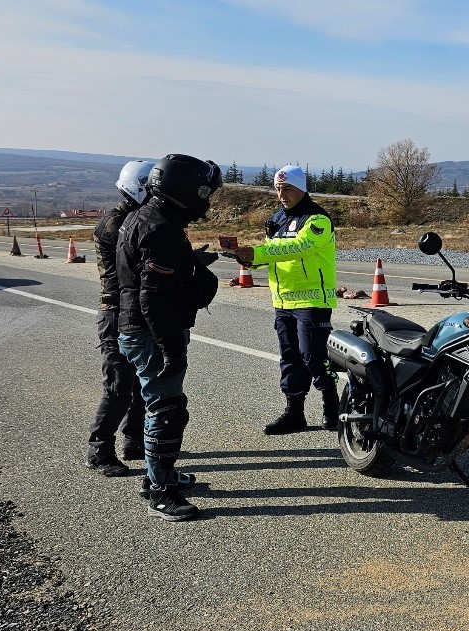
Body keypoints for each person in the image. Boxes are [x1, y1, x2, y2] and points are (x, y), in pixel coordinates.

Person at [117, 154, 223, 521]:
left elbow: (157, 280)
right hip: (149, 333)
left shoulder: (151, 216)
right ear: (184, 191)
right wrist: (170, 347)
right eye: (203, 191)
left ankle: (157, 475)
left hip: (143, 330)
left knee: (160, 406)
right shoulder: (160, 226)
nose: (206, 199)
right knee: (166, 411)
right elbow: (153, 297)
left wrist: (190, 263)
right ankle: (160, 492)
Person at [234, 165, 339, 434]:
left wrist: (256, 254)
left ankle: (333, 407)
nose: (282, 194)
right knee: (290, 359)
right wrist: (247, 258)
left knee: (313, 358)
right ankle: (295, 414)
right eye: (278, 188)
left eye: (288, 188)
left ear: (302, 188)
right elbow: (271, 252)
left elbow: (299, 247)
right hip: (283, 302)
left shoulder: (317, 219)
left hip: (312, 302)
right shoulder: (277, 219)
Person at [86, 160, 154, 476]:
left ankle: (134, 440)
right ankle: (99, 451)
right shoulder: (115, 225)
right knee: (118, 386)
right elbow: (138, 265)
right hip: (115, 312)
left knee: (141, 382)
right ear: (137, 186)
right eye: (151, 188)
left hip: (135, 312)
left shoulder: (133, 219)